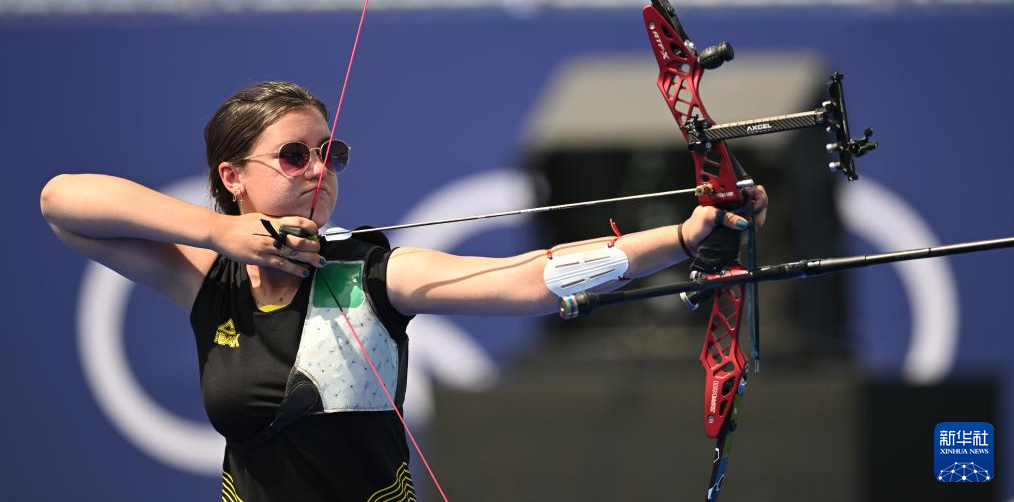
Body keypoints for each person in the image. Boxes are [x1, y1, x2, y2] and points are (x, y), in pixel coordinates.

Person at [40, 80, 768, 502]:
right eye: (293, 155)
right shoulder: (207, 276)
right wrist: (219, 233)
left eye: (329, 152)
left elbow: (530, 277)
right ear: (233, 176)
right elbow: (62, 203)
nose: (318, 169)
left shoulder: (374, 271)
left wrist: (683, 237)